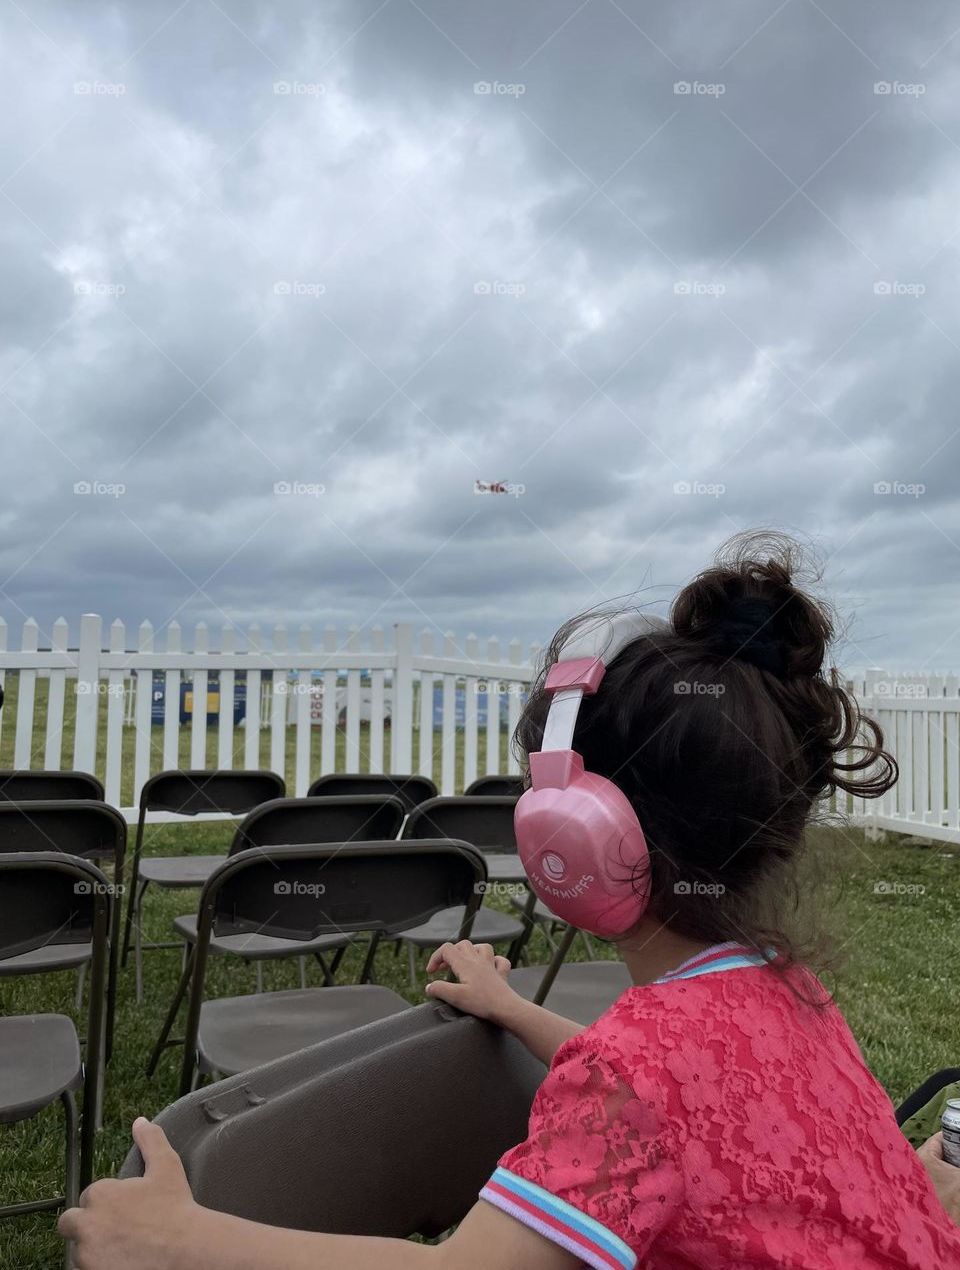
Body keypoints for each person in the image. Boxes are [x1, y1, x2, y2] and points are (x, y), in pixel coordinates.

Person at [60, 532, 960, 1268]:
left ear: (574, 837)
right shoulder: (787, 993)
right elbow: (682, 1107)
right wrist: (514, 1013)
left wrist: (180, 1241)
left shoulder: (636, 1076)